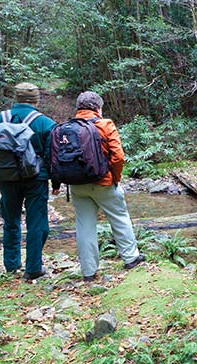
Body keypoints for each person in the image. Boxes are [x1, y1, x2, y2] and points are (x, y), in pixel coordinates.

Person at [55, 91, 144, 282]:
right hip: (103, 182)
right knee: (119, 217)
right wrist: (115, 179)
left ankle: (88, 272)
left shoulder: (65, 128)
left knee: (84, 226)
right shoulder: (104, 124)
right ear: (98, 108)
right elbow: (118, 157)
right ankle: (130, 258)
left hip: (77, 185)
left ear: (79, 108)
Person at [0, 82, 57, 280]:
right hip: (36, 179)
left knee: (10, 221)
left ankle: (11, 265)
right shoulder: (45, 123)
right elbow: (52, 156)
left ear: (16, 98)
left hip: (7, 178)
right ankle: (33, 267)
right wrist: (56, 182)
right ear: (36, 99)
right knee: (37, 222)